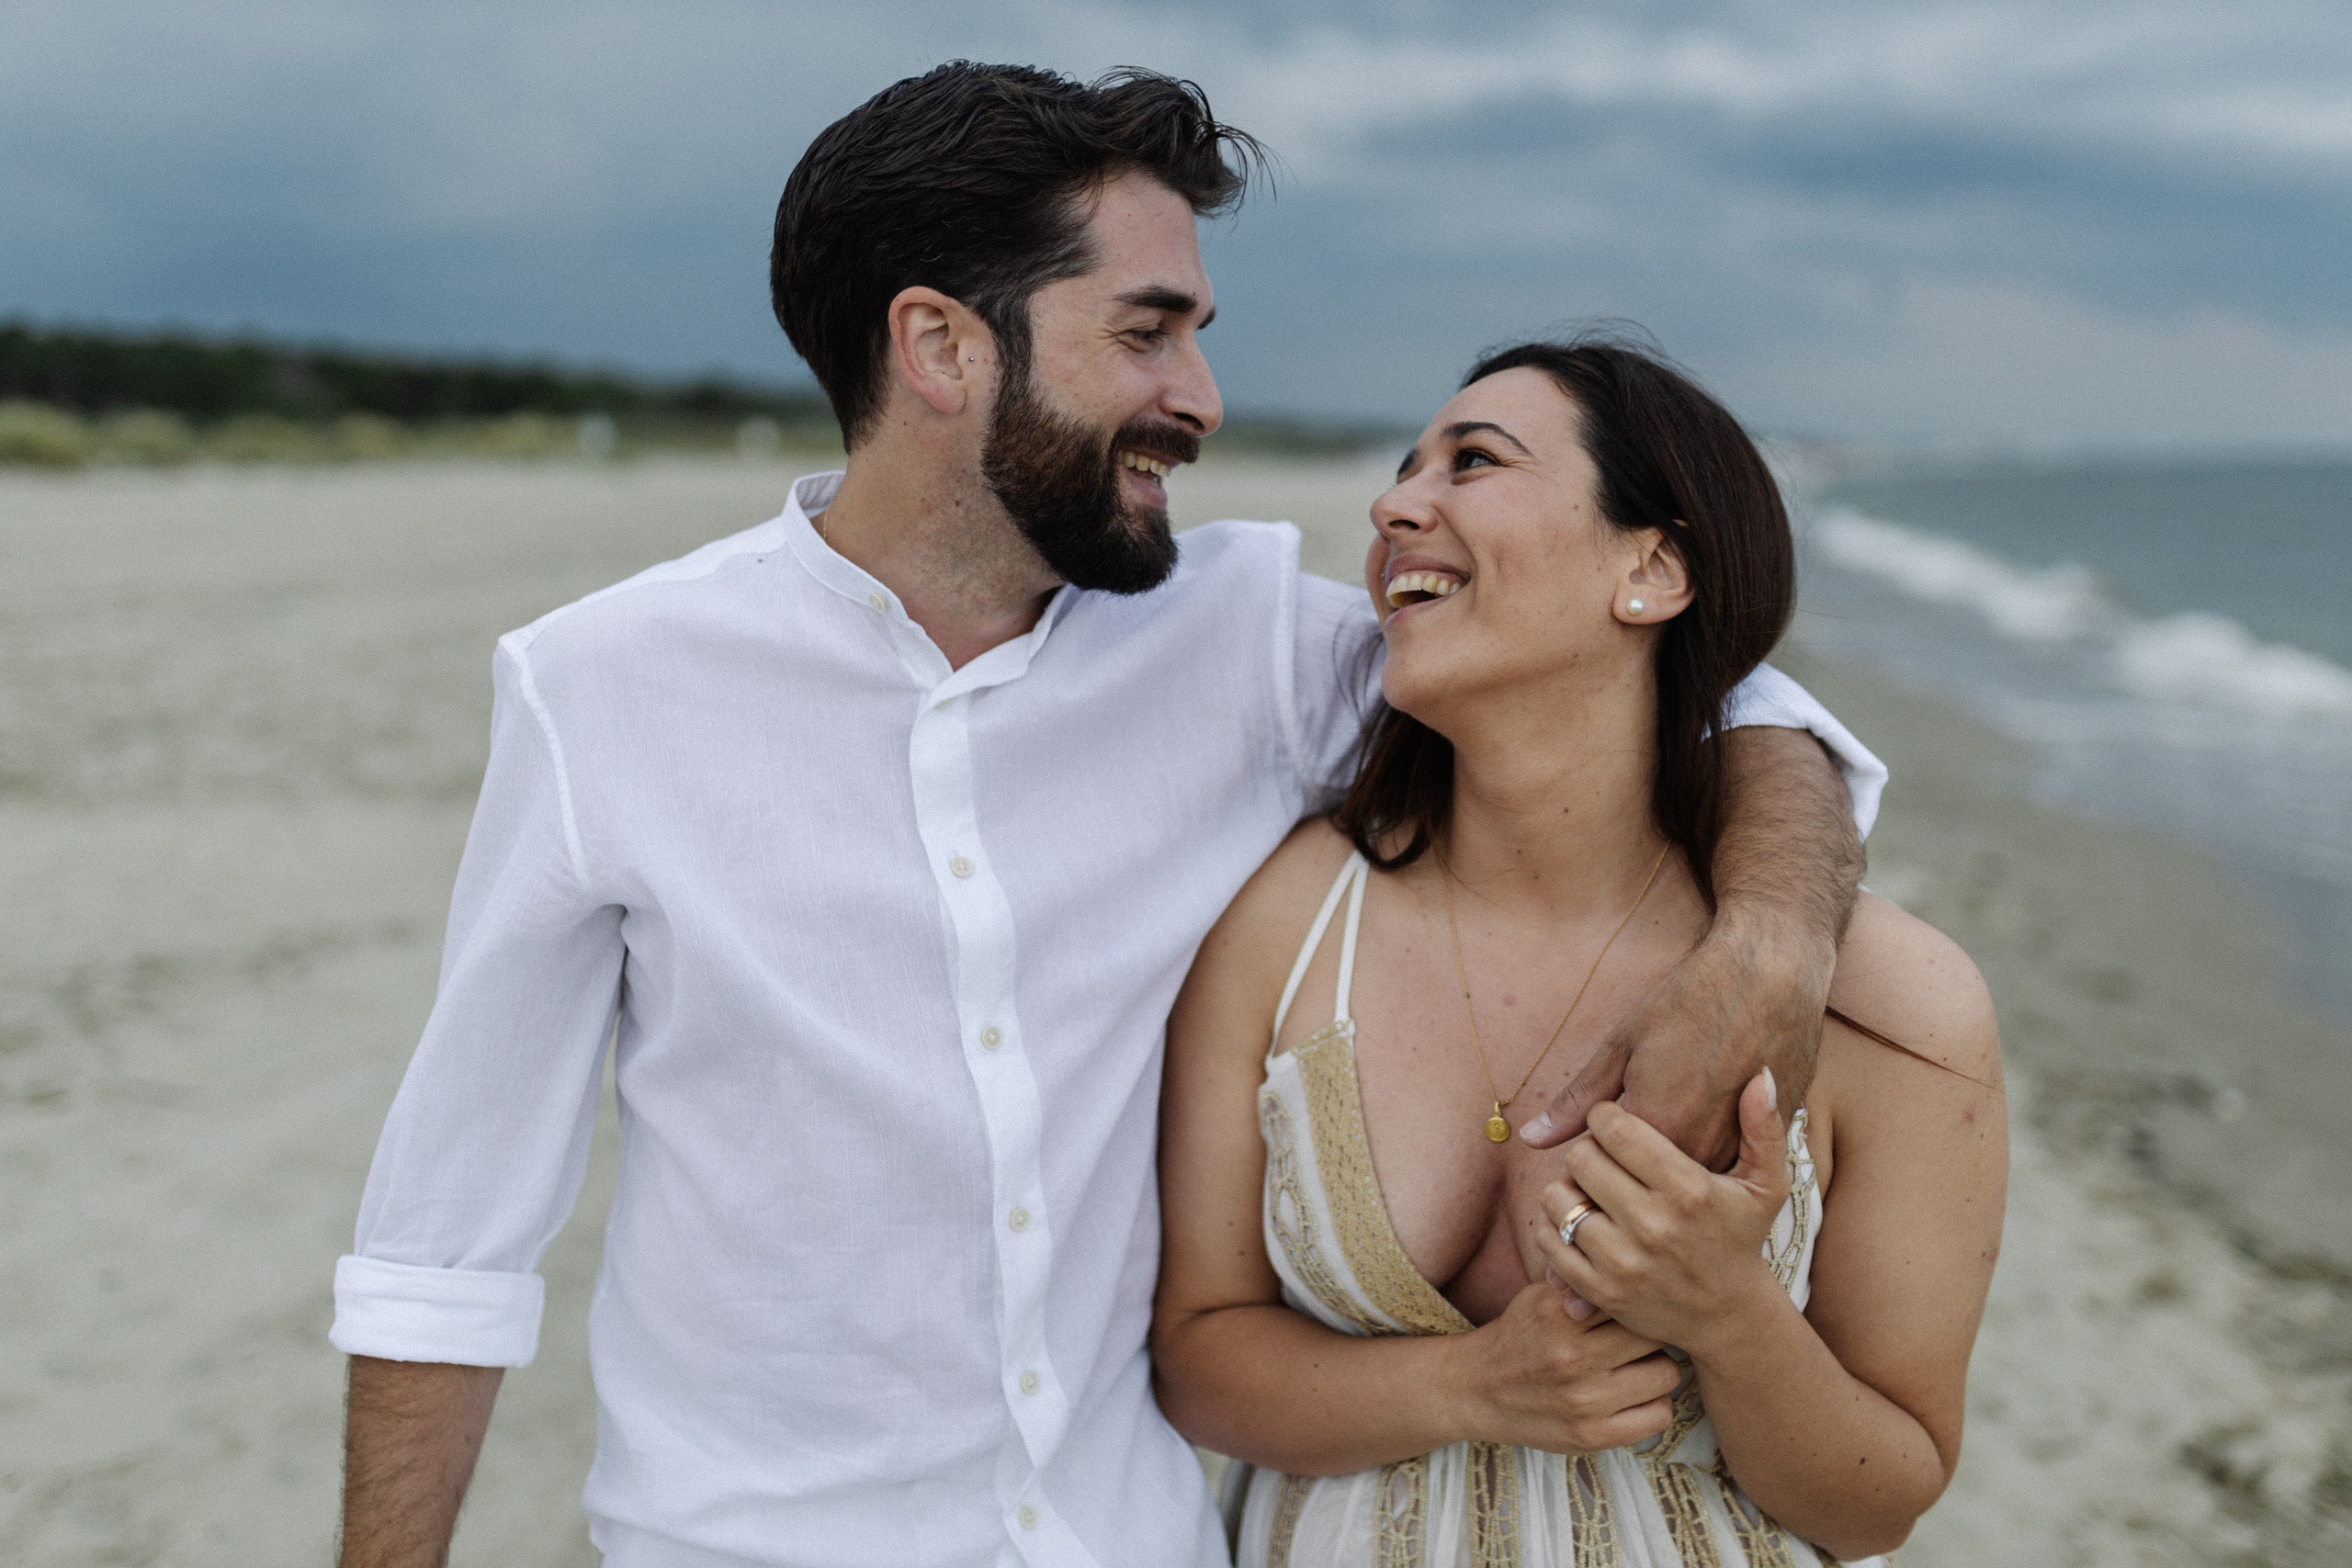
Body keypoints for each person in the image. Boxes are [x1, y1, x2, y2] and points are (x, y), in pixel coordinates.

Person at [328, 65, 1884, 1568]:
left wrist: (1768, 936)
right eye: (1147, 335)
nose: (1198, 399)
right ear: (940, 345)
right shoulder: (600, 690)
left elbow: (1681, 694)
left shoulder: (1247, 640)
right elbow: (441, 1252)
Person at [1150, 337, 2007, 1566]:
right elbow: (1197, 1353)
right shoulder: (1287, 921)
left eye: (1474, 462)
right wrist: (1472, 1386)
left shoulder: (1893, 999)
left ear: (1651, 570)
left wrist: (1730, 1312)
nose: (1395, 505)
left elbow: (1883, 1498)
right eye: (1404, 470)